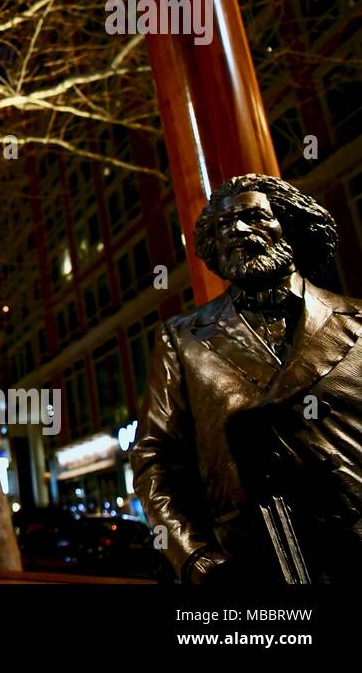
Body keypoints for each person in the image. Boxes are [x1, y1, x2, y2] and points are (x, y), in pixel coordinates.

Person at [132, 174, 362, 582]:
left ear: (289, 225)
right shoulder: (181, 339)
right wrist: (191, 557)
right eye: (223, 226)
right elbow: (154, 459)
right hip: (250, 566)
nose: (236, 230)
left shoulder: (357, 321)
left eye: (253, 217)